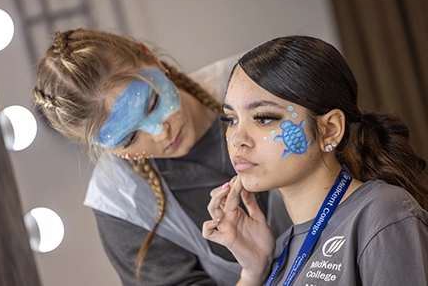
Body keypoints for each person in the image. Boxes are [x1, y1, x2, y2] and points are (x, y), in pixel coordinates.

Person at [32, 28, 291, 286]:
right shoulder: (123, 206)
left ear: (151, 58)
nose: (160, 133)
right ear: (106, 149)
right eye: (129, 139)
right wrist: (253, 273)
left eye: (153, 104)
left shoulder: (255, 81)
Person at [202, 35, 428, 286]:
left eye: (264, 117)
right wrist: (253, 272)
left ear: (329, 129)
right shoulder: (280, 249)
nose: (237, 139)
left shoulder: (383, 213)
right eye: (231, 119)